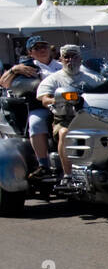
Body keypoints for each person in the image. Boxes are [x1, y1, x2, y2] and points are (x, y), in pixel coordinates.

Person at [0, 36, 61, 172]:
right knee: (35, 123)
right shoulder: (27, 67)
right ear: (30, 52)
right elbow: (4, 83)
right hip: (41, 106)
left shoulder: (61, 66)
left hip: (67, 106)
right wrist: (14, 70)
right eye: (36, 48)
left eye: (44, 46)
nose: (41, 50)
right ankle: (43, 164)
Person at [37, 45, 96, 184]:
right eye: (66, 57)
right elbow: (44, 99)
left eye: (74, 56)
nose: (70, 60)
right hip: (65, 120)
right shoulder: (53, 79)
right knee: (64, 133)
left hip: (91, 119)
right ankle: (68, 175)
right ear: (61, 59)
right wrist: (58, 99)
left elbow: (107, 92)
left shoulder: (93, 78)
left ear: (80, 59)